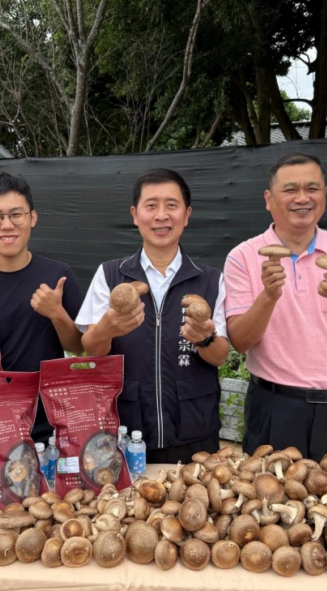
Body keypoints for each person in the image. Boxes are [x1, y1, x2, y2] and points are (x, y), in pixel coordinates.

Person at [224, 152, 327, 467]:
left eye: (312, 188)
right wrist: (268, 296)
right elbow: (240, 341)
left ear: (325, 195)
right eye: (290, 189)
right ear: (268, 199)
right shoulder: (243, 256)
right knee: (268, 494)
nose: (303, 198)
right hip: (274, 408)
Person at [76, 168, 230, 465]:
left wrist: (205, 338)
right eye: (151, 206)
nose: (161, 216)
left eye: (172, 205)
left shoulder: (210, 280)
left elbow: (220, 356)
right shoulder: (111, 275)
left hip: (195, 430)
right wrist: (106, 329)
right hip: (126, 430)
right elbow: (93, 350)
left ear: (187, 214)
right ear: (135, 215)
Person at [0, 173, 84, 443]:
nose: (7, 225)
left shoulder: (58, 275)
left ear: (32, 218)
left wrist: (57, 314)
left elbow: (79, 346)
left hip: (48, 423)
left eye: (16, 215)